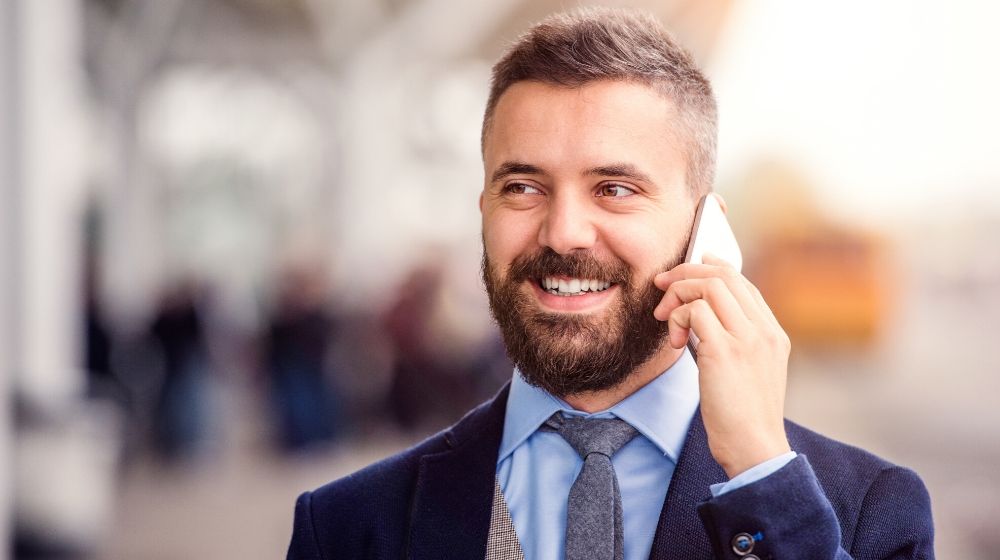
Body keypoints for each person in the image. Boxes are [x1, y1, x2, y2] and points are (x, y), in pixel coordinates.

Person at [286, 8, 933, 560]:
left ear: (707, 230)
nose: (564, 231)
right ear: (483, 214)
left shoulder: (872, 512)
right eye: (523, 187)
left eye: (615, 189)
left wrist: (761, 475)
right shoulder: (344, 527)